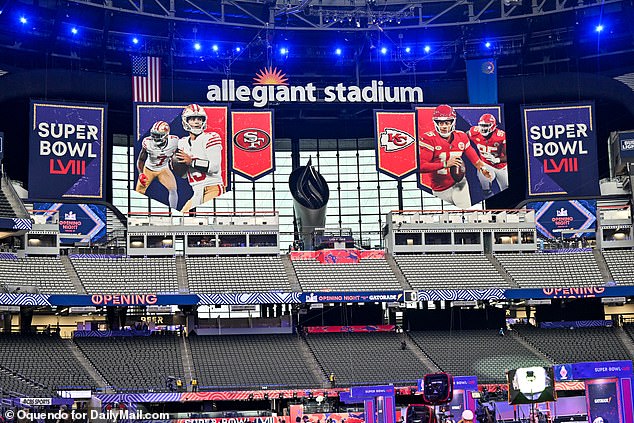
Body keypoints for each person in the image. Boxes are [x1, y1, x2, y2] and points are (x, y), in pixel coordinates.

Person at [419, 105, 491, 209]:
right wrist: (444, 164)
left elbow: (473, 156)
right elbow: (421, 166)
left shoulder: (461, 136)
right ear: (436, 123)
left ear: (453, 122)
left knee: (466, 215)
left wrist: (482, 168)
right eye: (441, 122)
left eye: (447, 122)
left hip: (459, 184)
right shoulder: (429, 139)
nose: (444, 126)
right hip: (440, 189)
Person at [175, 104, 225, 213]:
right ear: (185, 121)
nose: (197, 122)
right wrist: (175, 166)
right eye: (193, 119)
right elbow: (184, 175)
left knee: (206, 222)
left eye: (200, 119)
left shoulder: (211, 137)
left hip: (212, 188)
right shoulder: (182, 143)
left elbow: (214, 167)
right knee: (180, 219)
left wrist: (191, 161)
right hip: (196, 191)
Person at [136, 120, 180, 208]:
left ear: (166, 135)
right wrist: (141, 173)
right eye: (153, 135)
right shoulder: (148, 142)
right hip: (148, 169)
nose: (154, 138)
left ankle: (173, 213)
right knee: (138, 192)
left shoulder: (174, 141)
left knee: (173, 189)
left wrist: (174, 159)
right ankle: (137, 212)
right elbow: (141, 159)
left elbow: (178, 154)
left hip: (163, 169)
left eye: (157, 135)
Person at [467, 113, 508, 195]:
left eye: (486, 125)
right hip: (486, 164)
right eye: (481, 125)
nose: (483, 128)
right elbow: (463, 137)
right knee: (483, 176)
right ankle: (487, 193)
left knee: (506, 188)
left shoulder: (501, 136)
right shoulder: (474, 132)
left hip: (501, 166)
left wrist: (497, 160)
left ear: (493, 126)